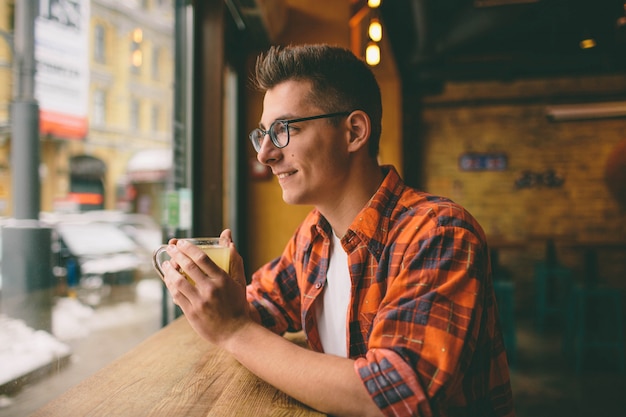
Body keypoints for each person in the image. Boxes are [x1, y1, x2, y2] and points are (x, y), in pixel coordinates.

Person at [160, 44, 515, 417]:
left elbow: (394, 398)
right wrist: (214, 291)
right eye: (262, 134)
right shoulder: (315, 234)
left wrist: (235, 331)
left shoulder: (439, 233)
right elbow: (259, 307)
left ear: (354, 132)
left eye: (283, 130)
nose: (265, 154)